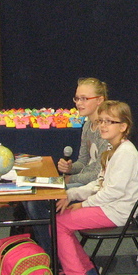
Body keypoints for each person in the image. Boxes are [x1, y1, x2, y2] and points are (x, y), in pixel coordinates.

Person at [55, 100, 138, 275]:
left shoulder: (125, 153)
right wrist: (71, 194)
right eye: (101, 121)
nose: (103, 125)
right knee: (59, 220)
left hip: (118, 211)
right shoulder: (113, 149)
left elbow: (113, 192)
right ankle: (88, 271)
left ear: (123, 126)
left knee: (59, 224)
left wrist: (83, 204)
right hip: (109, 206)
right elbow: (99, 183)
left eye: (109, 122)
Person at [25, 77, 109, 252]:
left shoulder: (106, 129)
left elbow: (98, 174)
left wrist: (71, 178)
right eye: (77, 98)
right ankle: (49, 249)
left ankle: (53, 254)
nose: (79, 103)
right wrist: (71, 168)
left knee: (36, 202)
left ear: (100, 100)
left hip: (98, 187)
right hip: (83, 181)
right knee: (30, 196)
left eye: (84, 99)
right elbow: (83, 162)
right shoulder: (88, 126)